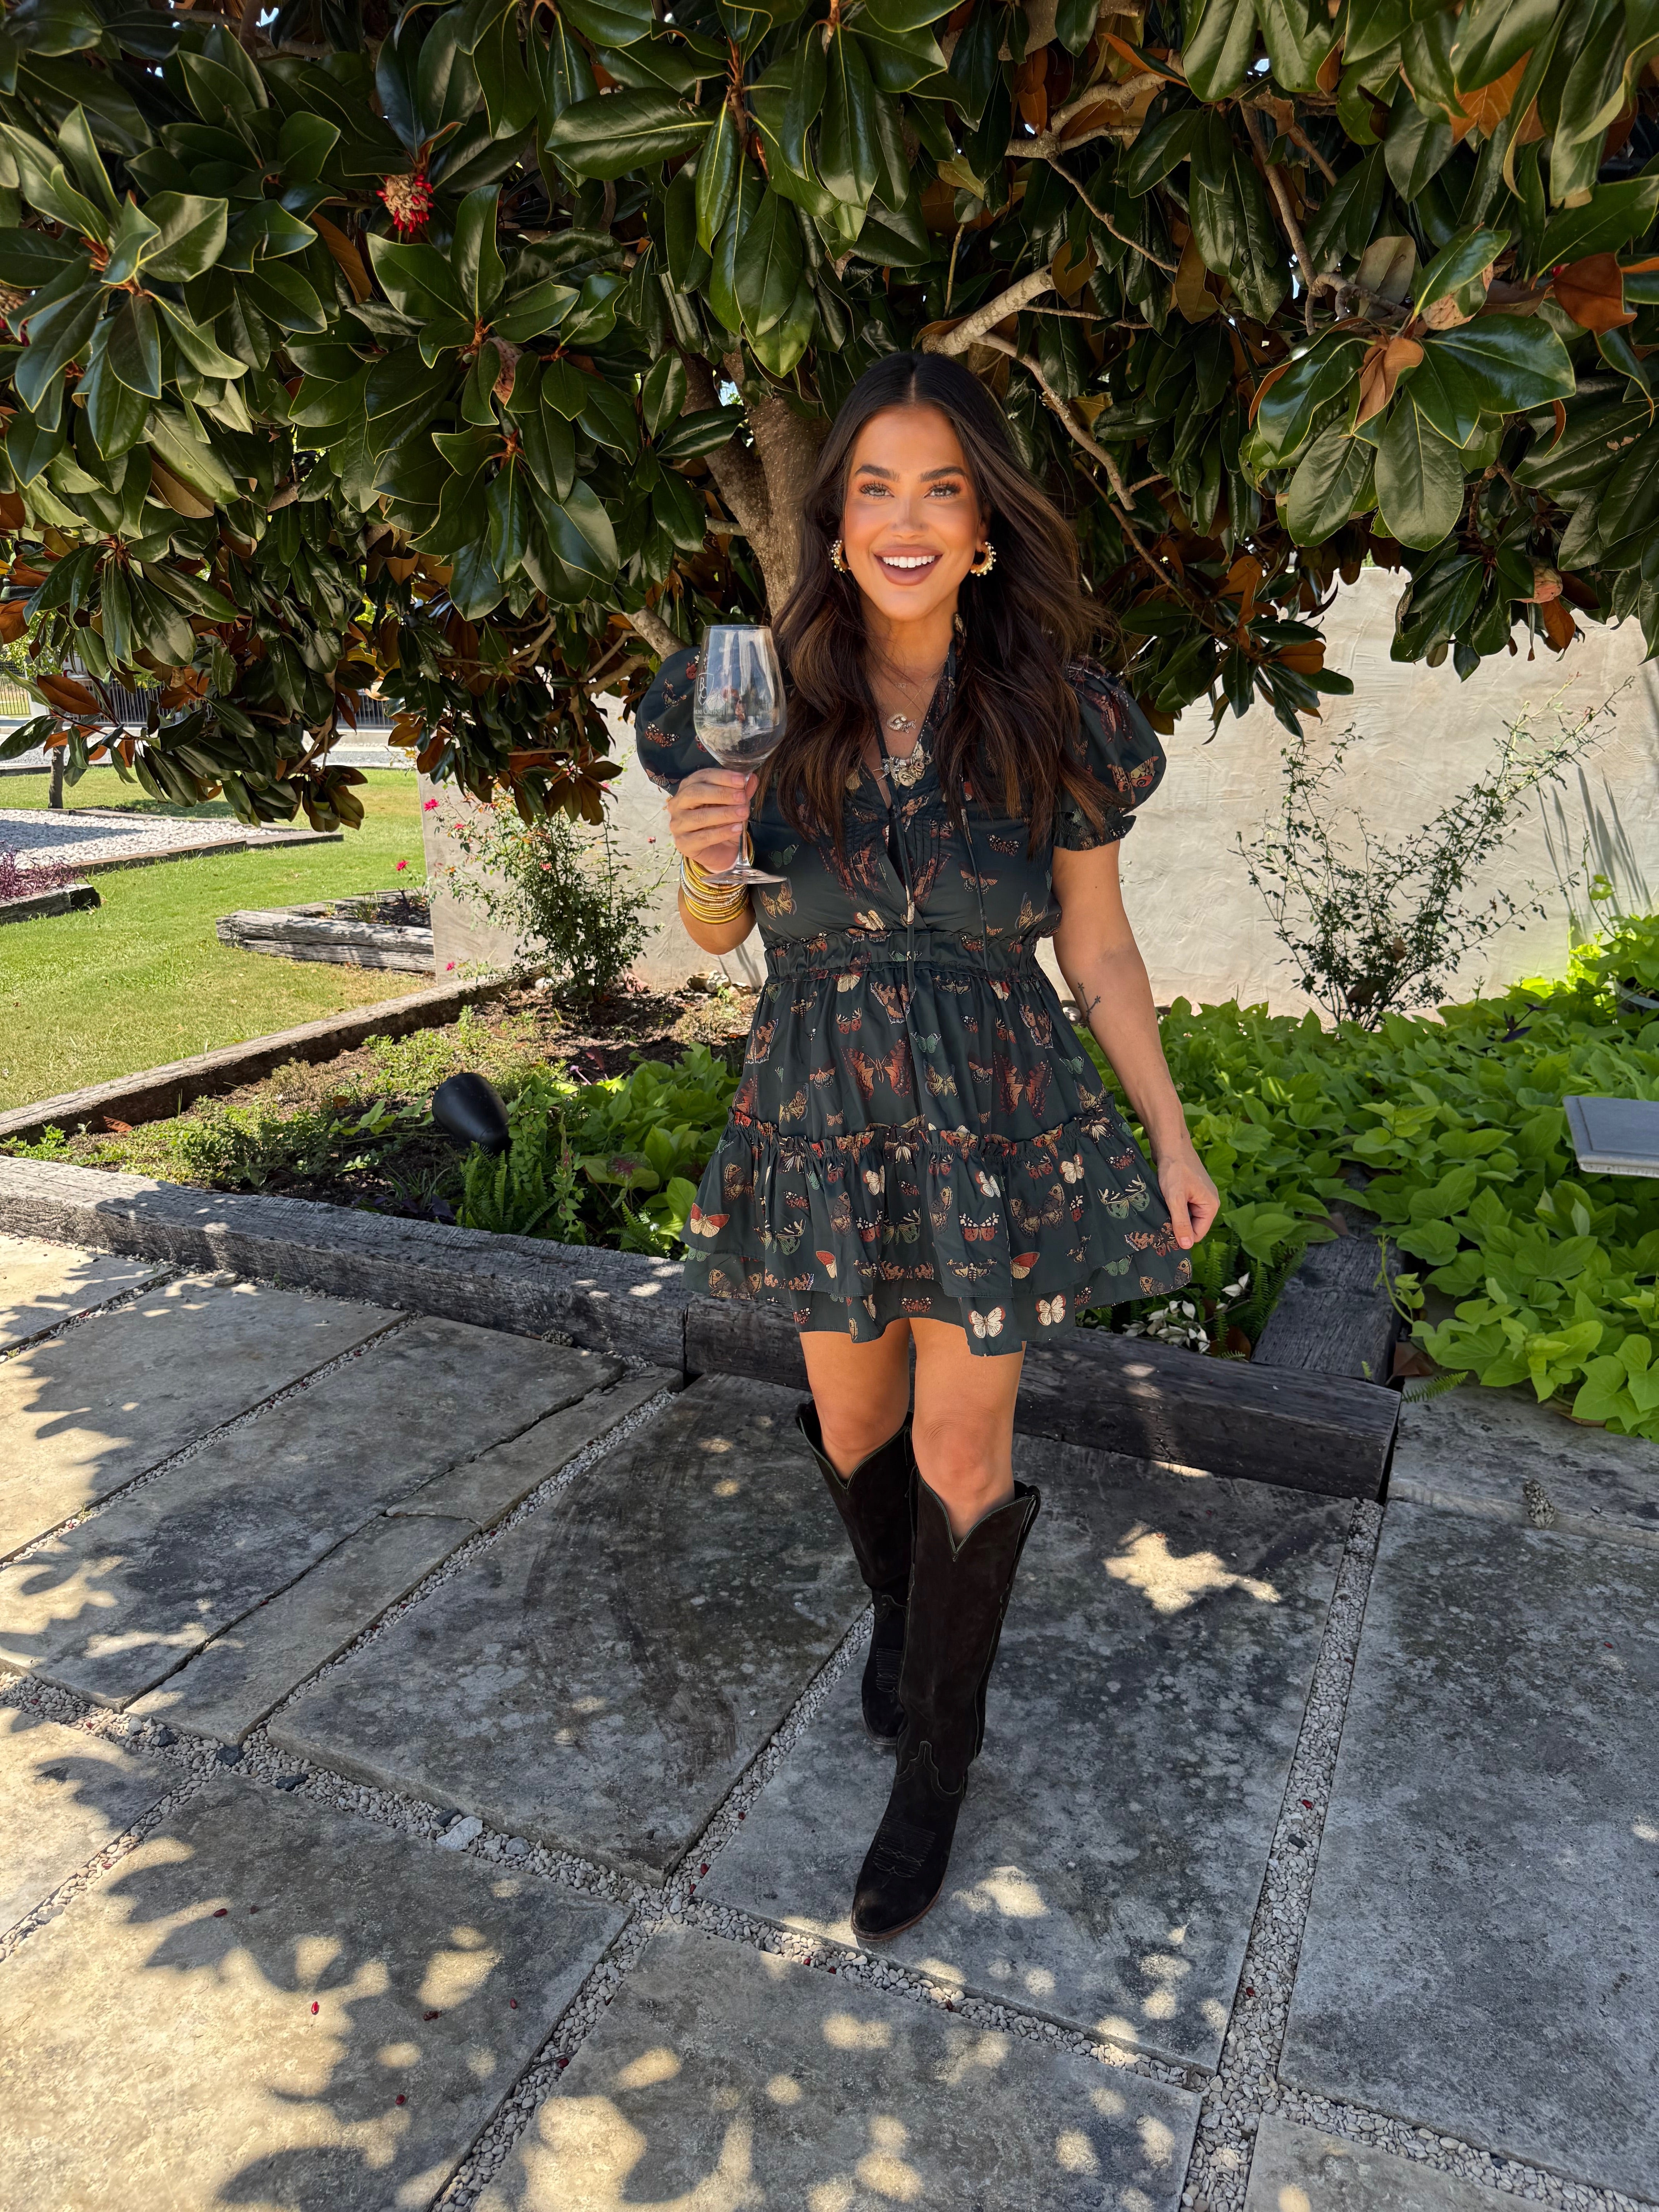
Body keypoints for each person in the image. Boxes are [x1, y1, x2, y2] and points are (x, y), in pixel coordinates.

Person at [634, 350, 1219, 1942]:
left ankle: (934, 1771)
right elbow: (719, 934)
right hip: (821, 1108)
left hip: (995, 1119)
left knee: (967, 1455)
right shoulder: (751, 700)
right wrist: (703, 868)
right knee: (853, 1425)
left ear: (983, 526)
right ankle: (904, 1614)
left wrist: (1168, 1135)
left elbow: (1098, 947)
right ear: (834, 525)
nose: (907, 520)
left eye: (941, 489)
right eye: (875, 489)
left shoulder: (1057, 715)